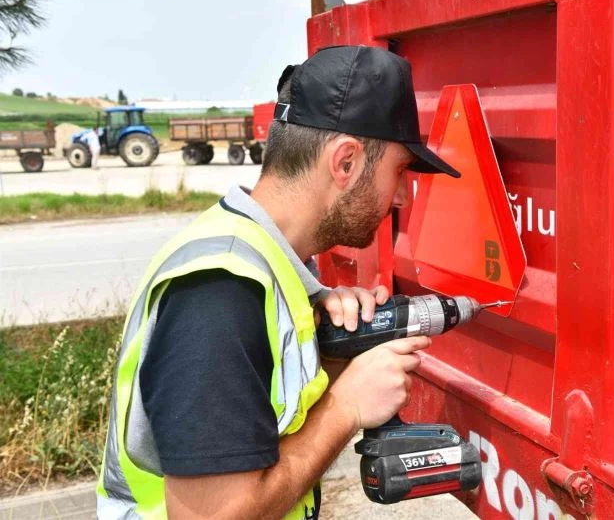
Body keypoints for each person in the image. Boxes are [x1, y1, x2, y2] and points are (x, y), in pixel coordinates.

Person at [96, 45, 461, 520]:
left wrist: (329, 361)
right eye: (398, 172)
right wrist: (346, 407)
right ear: (345, 162)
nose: (401, 197)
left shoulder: (268, 267)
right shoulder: (222, 290)